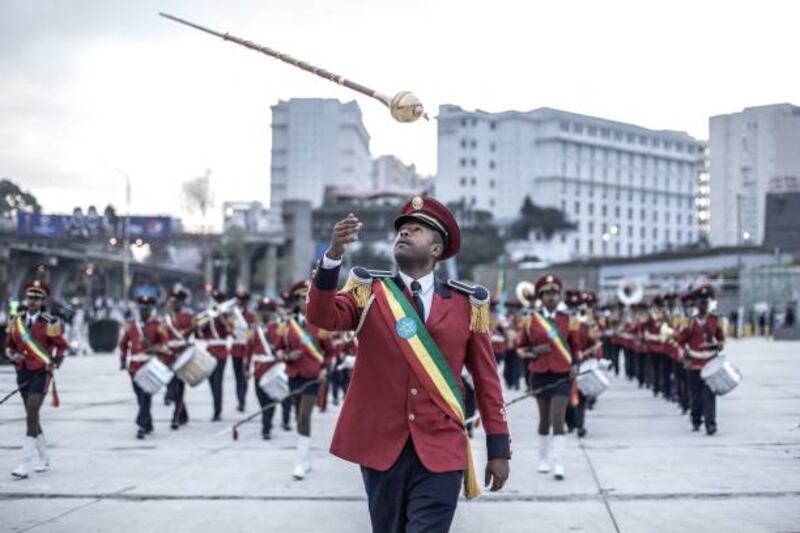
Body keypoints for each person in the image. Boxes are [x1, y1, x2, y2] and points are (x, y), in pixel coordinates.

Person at [307, 197, 510, 532]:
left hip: (441, 446)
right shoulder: (369, 292)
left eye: (416, 229)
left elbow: (488, 381)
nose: (404, 233)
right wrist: (332, 257)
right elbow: (321, 316)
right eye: (401, 229)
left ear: (436, 248)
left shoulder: (465, 304)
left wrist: (499, 447)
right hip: (381, 446)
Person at [517, 275, 578, 479]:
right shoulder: (531, 320)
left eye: (554, 293)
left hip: (562, 374)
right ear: (541, 297)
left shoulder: (568, 319)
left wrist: (575, 365)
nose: (551, 297)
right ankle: (543, 459)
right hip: (540, 374)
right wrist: (534, 350)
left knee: (557, 419)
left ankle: (558, 462)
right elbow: (520, 347)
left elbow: (575, 347)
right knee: (544, 420)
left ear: (559, 295)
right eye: (547, 293)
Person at [6, 280, 67, 479]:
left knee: (32, 411)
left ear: (43, 300)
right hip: (22, 371)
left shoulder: (50, 322)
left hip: (41, 372)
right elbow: (8, 346)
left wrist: (55, 362)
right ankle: (44, 456)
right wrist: (13, 356)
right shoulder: (16, 320)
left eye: (37, 298)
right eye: (30, 297)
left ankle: (25, 462)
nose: (32, 301)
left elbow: (61, 346)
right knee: (33, 415)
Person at [281, 280, 333, 480]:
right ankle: (306, 458)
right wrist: (287, 356)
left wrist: (325, 370)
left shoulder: (320, 323)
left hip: (313, 376)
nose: (306, 301)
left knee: (304, 416)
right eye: (302, 298)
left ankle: (299, 464)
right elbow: (278, 348)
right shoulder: (287, 325)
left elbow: (330, 352)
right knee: (298, 418)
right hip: (294, 375)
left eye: (308, 297)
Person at [119, 290, 170, 439]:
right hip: (134, 366)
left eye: (146, 310)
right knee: (140, 397)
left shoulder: (157, 325)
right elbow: (123, 344)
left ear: (151, 311)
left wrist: (157, 348)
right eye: (142, 309)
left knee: (146, 396)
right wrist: (123, 360)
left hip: (149, 366)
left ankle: (141, 426)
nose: (144, 312)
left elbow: (165, 343)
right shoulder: (131, 326)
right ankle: (148, 424)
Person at [677, 286, 725, 435]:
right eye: (700, 302)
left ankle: (711, 424)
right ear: (696, 305)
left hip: (710, 364)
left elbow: (722, 339)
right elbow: (680, 341)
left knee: (709, 395)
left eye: (705, 302)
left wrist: (717, 344)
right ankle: (696, 419)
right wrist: (686, 355)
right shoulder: (689, 322)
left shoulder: (715, 320)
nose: (703, 305)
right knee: (696, 397)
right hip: (694, 364)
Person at [248, 297, 285, 440]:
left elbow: (283, 345)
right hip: (258, 369)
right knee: (261, 399)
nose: (265, 313)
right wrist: (246, 367)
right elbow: (248, 349)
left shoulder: (280, 327)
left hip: (273, 368)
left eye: (268, 311)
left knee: (270, 399)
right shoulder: (252, 328)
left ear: (272, 313)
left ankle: (266, 427)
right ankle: (266, 421)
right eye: (262, 310)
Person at [197, 290, 231, 421]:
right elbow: (200, 332)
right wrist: (208, 317)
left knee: (218, 382)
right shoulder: (209, 315)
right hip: (210, 352)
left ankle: (217, 411)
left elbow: (230, 330)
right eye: (217, 300)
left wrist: (221, 316)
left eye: (220, 301)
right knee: (211, 382)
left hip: (221, 351)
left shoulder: (228, 314)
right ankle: (216, 407)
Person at [163, 286, 193, 429]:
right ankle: (183, 414)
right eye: (172, 301)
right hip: (169, 355)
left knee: (179, 389)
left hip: (182, 355)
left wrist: (194, 328)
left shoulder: (188, 317)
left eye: (177, 301)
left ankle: (175, 418)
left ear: (181, 303)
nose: (173, 303)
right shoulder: (165, 319)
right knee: (171, 386)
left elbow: (196, 335)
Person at [230, 289, 255, 412]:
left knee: (243, 377)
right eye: (240, 301)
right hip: (235, 350)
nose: (241, 304)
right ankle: (239, 400)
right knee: (237, 377)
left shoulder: (251, 316)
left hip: (246, 350)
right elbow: (228, 330)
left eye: (244, 301)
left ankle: (242, 401)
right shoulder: (232, 315)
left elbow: (252, 332)